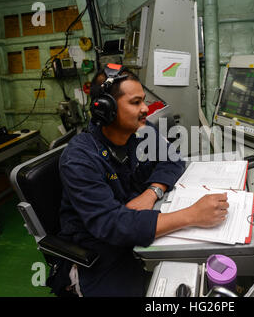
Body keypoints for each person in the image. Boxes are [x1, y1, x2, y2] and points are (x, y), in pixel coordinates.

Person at [56, 64, 229, 297]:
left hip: (140, 227)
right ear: (105, 108)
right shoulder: (79, 158)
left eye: (143, 101)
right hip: (100, 250)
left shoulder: (141, 131)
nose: (146, 109)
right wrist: (192, 215)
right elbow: (112, 225)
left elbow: (173, 159)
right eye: (135, 102)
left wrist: (152, 193)